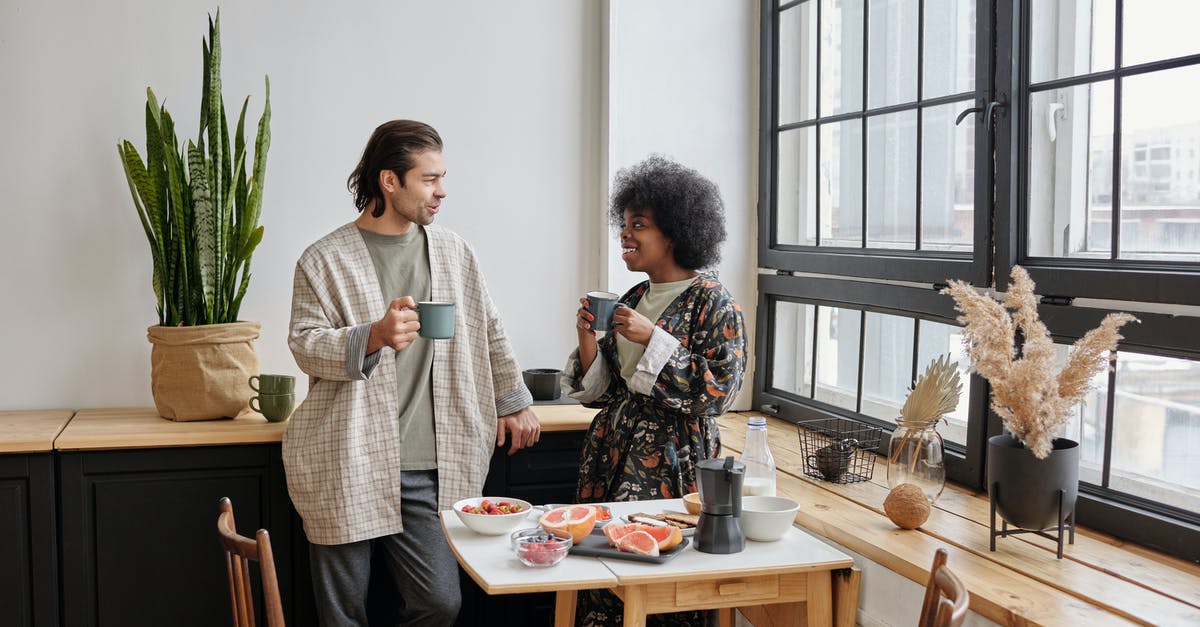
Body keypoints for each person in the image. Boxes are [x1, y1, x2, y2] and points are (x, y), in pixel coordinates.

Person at [283, 119, 541, 626]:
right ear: (389, 181)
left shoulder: (453, 251)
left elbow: (489, 328)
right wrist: (373, 336)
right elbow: (305, 346)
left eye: (442, 177)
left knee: (440, 602)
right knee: (343, 615)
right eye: (429, 178)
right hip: (347, 456)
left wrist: (514, 400)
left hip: (432, 465)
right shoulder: (323, 259)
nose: (441, 191)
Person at [564, 156, 747, 626]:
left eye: (638, 225)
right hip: (612, 450)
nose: (625, 234)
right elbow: (606, 393)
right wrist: (587, 337)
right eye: (623, 224)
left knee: (661, 583)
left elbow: (720, 394)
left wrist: (653, 340)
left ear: (675, 232)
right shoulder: (632, 299)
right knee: (603, 577)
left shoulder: (713, 300)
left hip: (675, 458)